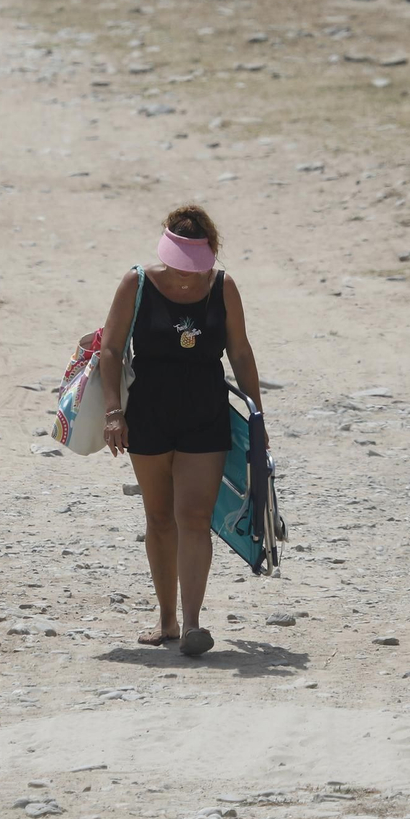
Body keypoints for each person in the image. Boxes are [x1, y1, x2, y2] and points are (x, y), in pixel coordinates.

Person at [98, 205, 266, 658]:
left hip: (205, 413)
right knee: (159, 517)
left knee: (193, 517)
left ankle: (192, 624)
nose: (185, 274)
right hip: (147, 413)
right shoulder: (136, 283)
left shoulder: (223, 286)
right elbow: (111, 349)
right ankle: (166, 619)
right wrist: (114, 413)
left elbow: (242, 354)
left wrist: (257, 417)